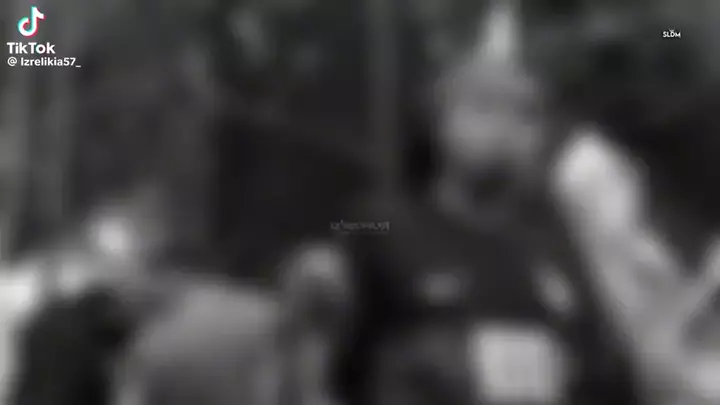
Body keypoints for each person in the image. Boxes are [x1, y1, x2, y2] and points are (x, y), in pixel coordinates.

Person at [281, 1, 641, 405]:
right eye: (484, 107)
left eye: (525, 114)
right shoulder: (382, 221)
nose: (504, 128)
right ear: (439, 122)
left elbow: (606, 374)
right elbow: (326, 262)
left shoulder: (557, 246)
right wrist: (317, 268)